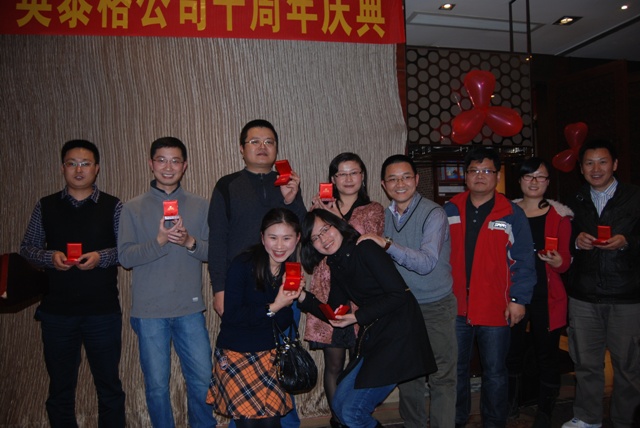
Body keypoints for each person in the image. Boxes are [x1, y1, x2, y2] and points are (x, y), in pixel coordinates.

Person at [20, 139, 126, 427]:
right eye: (72, 164)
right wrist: (49, 257)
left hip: (102, 311)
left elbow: (126, 251)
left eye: (86, 164)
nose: (79, 170)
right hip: (57, 313)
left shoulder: (113, 205)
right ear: (62, 168)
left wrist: (100, 257)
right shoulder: (45, 205)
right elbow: (27, 248)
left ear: (97, 168)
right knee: (60, 389)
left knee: (109, 387)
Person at [207, 119, 306, 428]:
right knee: (242, 358)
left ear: (276, 148)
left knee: (282, 364)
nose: (262, 147)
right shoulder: (227, 185)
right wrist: (219, 288)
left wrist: (292, 199)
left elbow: (302, 232)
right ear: (242, 148)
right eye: (255, 141)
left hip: (283, 286)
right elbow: (217, 240)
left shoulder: (288, 184)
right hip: (242, 288)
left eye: (269, 142)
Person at [298, 209, 437, 428]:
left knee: (352, 413)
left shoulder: (365, 248)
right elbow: (334, 311)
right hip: (376, 335)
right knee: (340, 406)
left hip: (400, 334)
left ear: (338, 225)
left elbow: (399, 295)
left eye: (325, 229)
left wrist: (356, 317)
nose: (323, 239)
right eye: (315, 237)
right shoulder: (336, 262)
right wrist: (302, 296)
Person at [118, 137, 217, 428]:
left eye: (175, 161)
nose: (168, 167)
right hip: (149, 312)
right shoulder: (132, 208)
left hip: (189, 309)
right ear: (151, 164)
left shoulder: (200, 205)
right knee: (157, 386)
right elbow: (125, 257)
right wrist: (160, 241)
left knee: (202, 379)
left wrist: (189, 242)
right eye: (161, 160)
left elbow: (213, 252)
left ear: (184, 166)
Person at [359, 154, 457, 428]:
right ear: (383, 184)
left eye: (405, 177)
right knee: (408, 375)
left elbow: (426, 263)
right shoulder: (382, 216)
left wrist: (387, 244)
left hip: (435, 305)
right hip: (402, 307)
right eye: (392, 179)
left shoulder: (434, 213)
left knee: (442, 376)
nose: (399, 184)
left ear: (416, 179)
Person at [443, 146, 536, 428]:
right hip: (455, 306)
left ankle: (494, 423)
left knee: (495, 372)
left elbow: (524, 259)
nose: (480, 175)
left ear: (497, 175)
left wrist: (519, 299)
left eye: (487, 170)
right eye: (474, 170)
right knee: (455, 371)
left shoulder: (511, 213)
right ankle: (456, 420)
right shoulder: (449, 209)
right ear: (465, 176)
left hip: (496, 306)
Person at [562, 139, 640, 428]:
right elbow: (558, 242)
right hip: (584, 295)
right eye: (589, 163)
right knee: (585, 363)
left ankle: (625, 420)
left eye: (603, 162)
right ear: (581, 168)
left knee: (629, 366)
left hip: (627, 295)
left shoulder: (635, 197)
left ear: (615, 164)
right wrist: (576, 241)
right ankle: (587, 418)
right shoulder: (572, 200)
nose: (596, 169)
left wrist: (628, 241)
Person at [305, 152, 384, 428]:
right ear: (333, 179)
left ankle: (354, 417)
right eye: (341, 174)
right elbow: (311, 248)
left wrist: (337, 218)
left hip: (361, 295)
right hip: (330, 292)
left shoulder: (373, 209)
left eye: (354, 173)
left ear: (363, 176)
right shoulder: (320, 208)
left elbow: (367, 245)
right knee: (334, 365)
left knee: (358, 364)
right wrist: (315, 217)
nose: (348, 179)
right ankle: (339, 421)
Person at [208, 208, 303, 428]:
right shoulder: (242, 264)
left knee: (271, 424)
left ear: (297, 239)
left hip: (269, 355)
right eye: (273, 237)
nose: (279, 246)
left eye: (287, 238)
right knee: (249, 424)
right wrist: (275, 305)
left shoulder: (290, 270)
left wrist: (292, 298)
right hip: (237, 353)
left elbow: (283, 321)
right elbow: (231, 316)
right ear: (262, 237)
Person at [506, 157, 573, 428]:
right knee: (511, 352)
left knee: (547, 355)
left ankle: (545, 411)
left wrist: (558, 262)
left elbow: (566, 262)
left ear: (547, 182)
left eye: (540, 177)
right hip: (512, 293)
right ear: (520, 180)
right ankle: (510, 406)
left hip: (547, 294)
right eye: (528, 176)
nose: (534, 182)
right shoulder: (506, 212)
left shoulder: (560, 216)